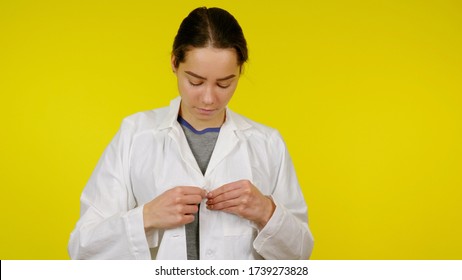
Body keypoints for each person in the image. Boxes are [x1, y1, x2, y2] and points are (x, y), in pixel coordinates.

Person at [68, 6, 314, 260]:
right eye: (195, 81)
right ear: (174, 62)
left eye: (224, 83)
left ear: (240, 70)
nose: (208, 98)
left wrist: (266, 212)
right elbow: (83, 249)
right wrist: (147, 216)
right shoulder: (135, 134)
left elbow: (300, 256)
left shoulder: (267, 143)